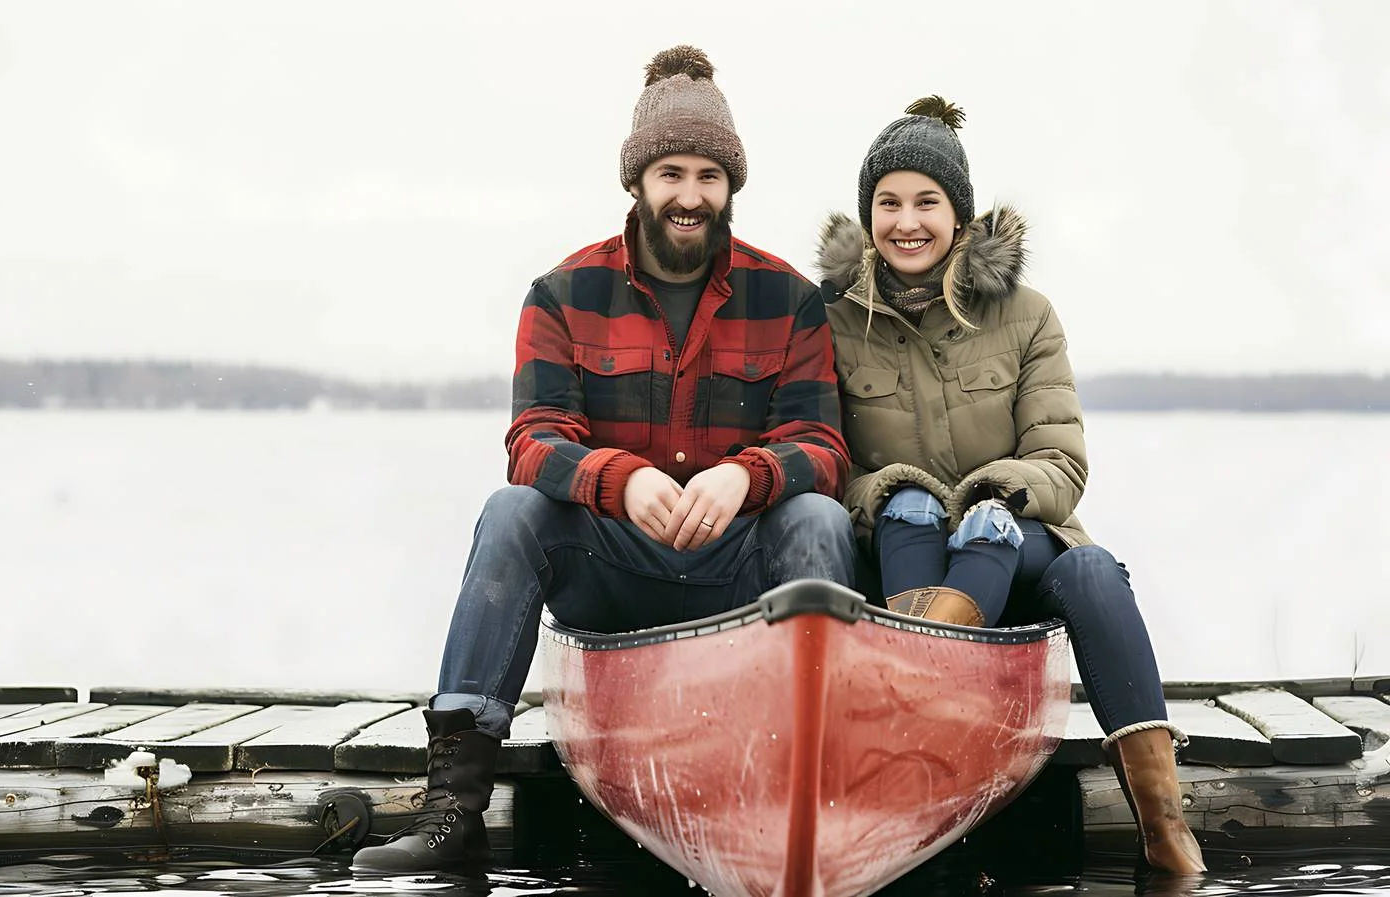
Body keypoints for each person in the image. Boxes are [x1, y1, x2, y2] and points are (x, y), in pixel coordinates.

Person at [351, 46, 856, 874]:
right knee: (512, 511)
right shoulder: (562, 293)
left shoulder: (790, 298)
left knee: (818, 514)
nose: (690, 196)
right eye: (671, 173)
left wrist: (746, 474)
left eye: (708, 175)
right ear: (638, 181)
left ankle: (813, 787)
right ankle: (455, 809)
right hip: (613, 574)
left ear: (731, 185)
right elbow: (533, 441)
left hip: (742, 578)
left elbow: (823, 446)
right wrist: (620, 479)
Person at [812, 96, 1206, 874]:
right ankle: (923, 759)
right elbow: (827, 460)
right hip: (895, 558)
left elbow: (1062, 463)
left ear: (959, 215)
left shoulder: (1027, 316)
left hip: (1013, 548)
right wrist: (887, 492)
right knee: (915, 506)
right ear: (869, 217)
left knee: (1084, 565)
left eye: (927, 201)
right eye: (888, 203)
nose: (907, 221)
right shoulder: (830, 323)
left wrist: (991, 496)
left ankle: (1164, 824)